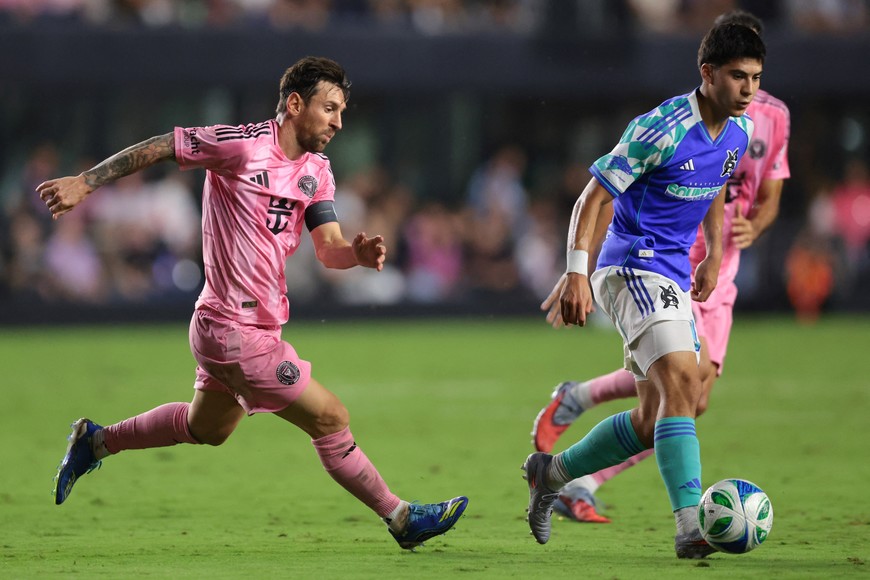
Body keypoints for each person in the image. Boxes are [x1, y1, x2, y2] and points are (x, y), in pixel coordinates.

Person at [39, 56, 467, 551]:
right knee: (331, 418)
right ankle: (401, 518)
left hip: (249, 327)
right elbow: (162, 146)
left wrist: (357, 253)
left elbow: (328, 249)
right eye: (329, 108)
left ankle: (95, 440)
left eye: (342, 112)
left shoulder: (317, 172)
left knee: (207, 429)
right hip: (231, 329)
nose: (338, 122)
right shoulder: (241, 146)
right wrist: (85, 182)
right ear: (294, 103)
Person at [531, 10, 790, 526]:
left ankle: (552, 473)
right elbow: (592, 198)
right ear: (708, 72)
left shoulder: (738, 132)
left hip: (671, 273)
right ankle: (691, 525)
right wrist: (577, 272)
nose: (748, 90)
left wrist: (715, 253)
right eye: (738, 76)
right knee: (682, 380)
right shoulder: (661, 128)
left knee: (657, 418)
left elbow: (715, 186)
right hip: (631, 263)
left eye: (756, 78)